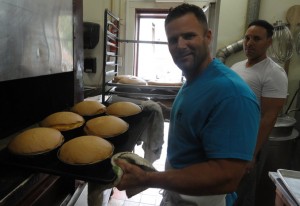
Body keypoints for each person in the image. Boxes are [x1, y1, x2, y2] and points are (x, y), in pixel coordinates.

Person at [113, 3, 260, 206]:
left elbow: (227, 176)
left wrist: (149, 179)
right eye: (173, 39)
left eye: (189, 36)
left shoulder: (232, 94)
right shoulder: (193, 80)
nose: (180, 45)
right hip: (178, 197)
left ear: (208, 36)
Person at [231, 20, 288, 206]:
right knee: (224, 190)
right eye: (247, 38)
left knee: (241, 194)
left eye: (256, 38)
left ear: (269, 42)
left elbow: (269, 117)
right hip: (229, 137)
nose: (249, 42)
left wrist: (251, 153)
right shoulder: (237, 67)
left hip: (249, 142)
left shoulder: (274, 73)